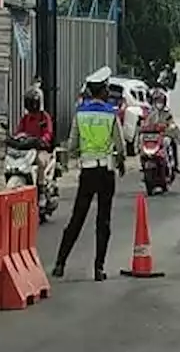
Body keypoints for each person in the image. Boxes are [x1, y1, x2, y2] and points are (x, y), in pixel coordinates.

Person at [53, 67, 127, 282]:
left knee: (77, 217)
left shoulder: (80, 113)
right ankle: (98, 268)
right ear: (103, 90)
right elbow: (120, 145)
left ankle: (60, 263)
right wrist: (120, 162)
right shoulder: (111, 113)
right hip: (105, 172)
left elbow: (72, 144)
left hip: (87, 172)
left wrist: (78, 156)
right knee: (103, 220)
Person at [14, 86, 54, 179]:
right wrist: (17, 137)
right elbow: (19, 131)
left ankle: (41, 186)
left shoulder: (44, 117)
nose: (31, 105)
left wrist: (43, 139)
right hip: (27, 149)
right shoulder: (26, 118)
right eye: (29, 102)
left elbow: (48, 132)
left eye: (33, 102)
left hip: (41, 148)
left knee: (40, 161)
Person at [142, 87, 180, 173]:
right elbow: (146, 123)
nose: (159, 103)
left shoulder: (167, 113)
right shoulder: (151, 114)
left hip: (164, 136)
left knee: (169, 142)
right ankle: (144, 162)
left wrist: (169, 128)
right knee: (143, 143)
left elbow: (172, 124)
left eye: (161, 101)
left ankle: (174, 164)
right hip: (152, 137)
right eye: (157, 101)